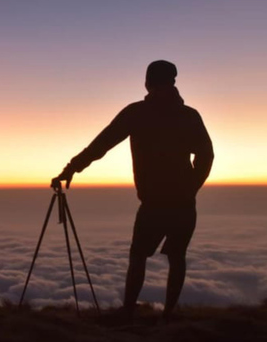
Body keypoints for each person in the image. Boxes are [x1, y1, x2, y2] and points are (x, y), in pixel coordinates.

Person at [53, 60, 213, 320]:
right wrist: (190, 188)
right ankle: (167, 315)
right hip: (182, 203)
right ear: (172, 82)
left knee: (140, 255)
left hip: (157, 202)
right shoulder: (188, 115)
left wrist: (71, 169)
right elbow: (206, 156)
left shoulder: (138, 113)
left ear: (147, 83)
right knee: (175, 257)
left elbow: (101, 144)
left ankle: (129, 310)